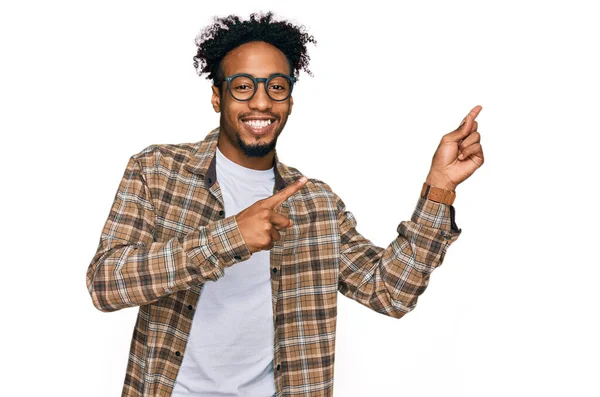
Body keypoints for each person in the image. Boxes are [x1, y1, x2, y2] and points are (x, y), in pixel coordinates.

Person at [85, 10, 484, 397]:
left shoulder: (315, 203)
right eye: (243, 86)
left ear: (290, 100)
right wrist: (227, 238)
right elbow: (105, 284)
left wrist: (439, 187)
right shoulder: (157, 171)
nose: (261, 102)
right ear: (216, 96)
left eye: (276, 87)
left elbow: (391, 291)